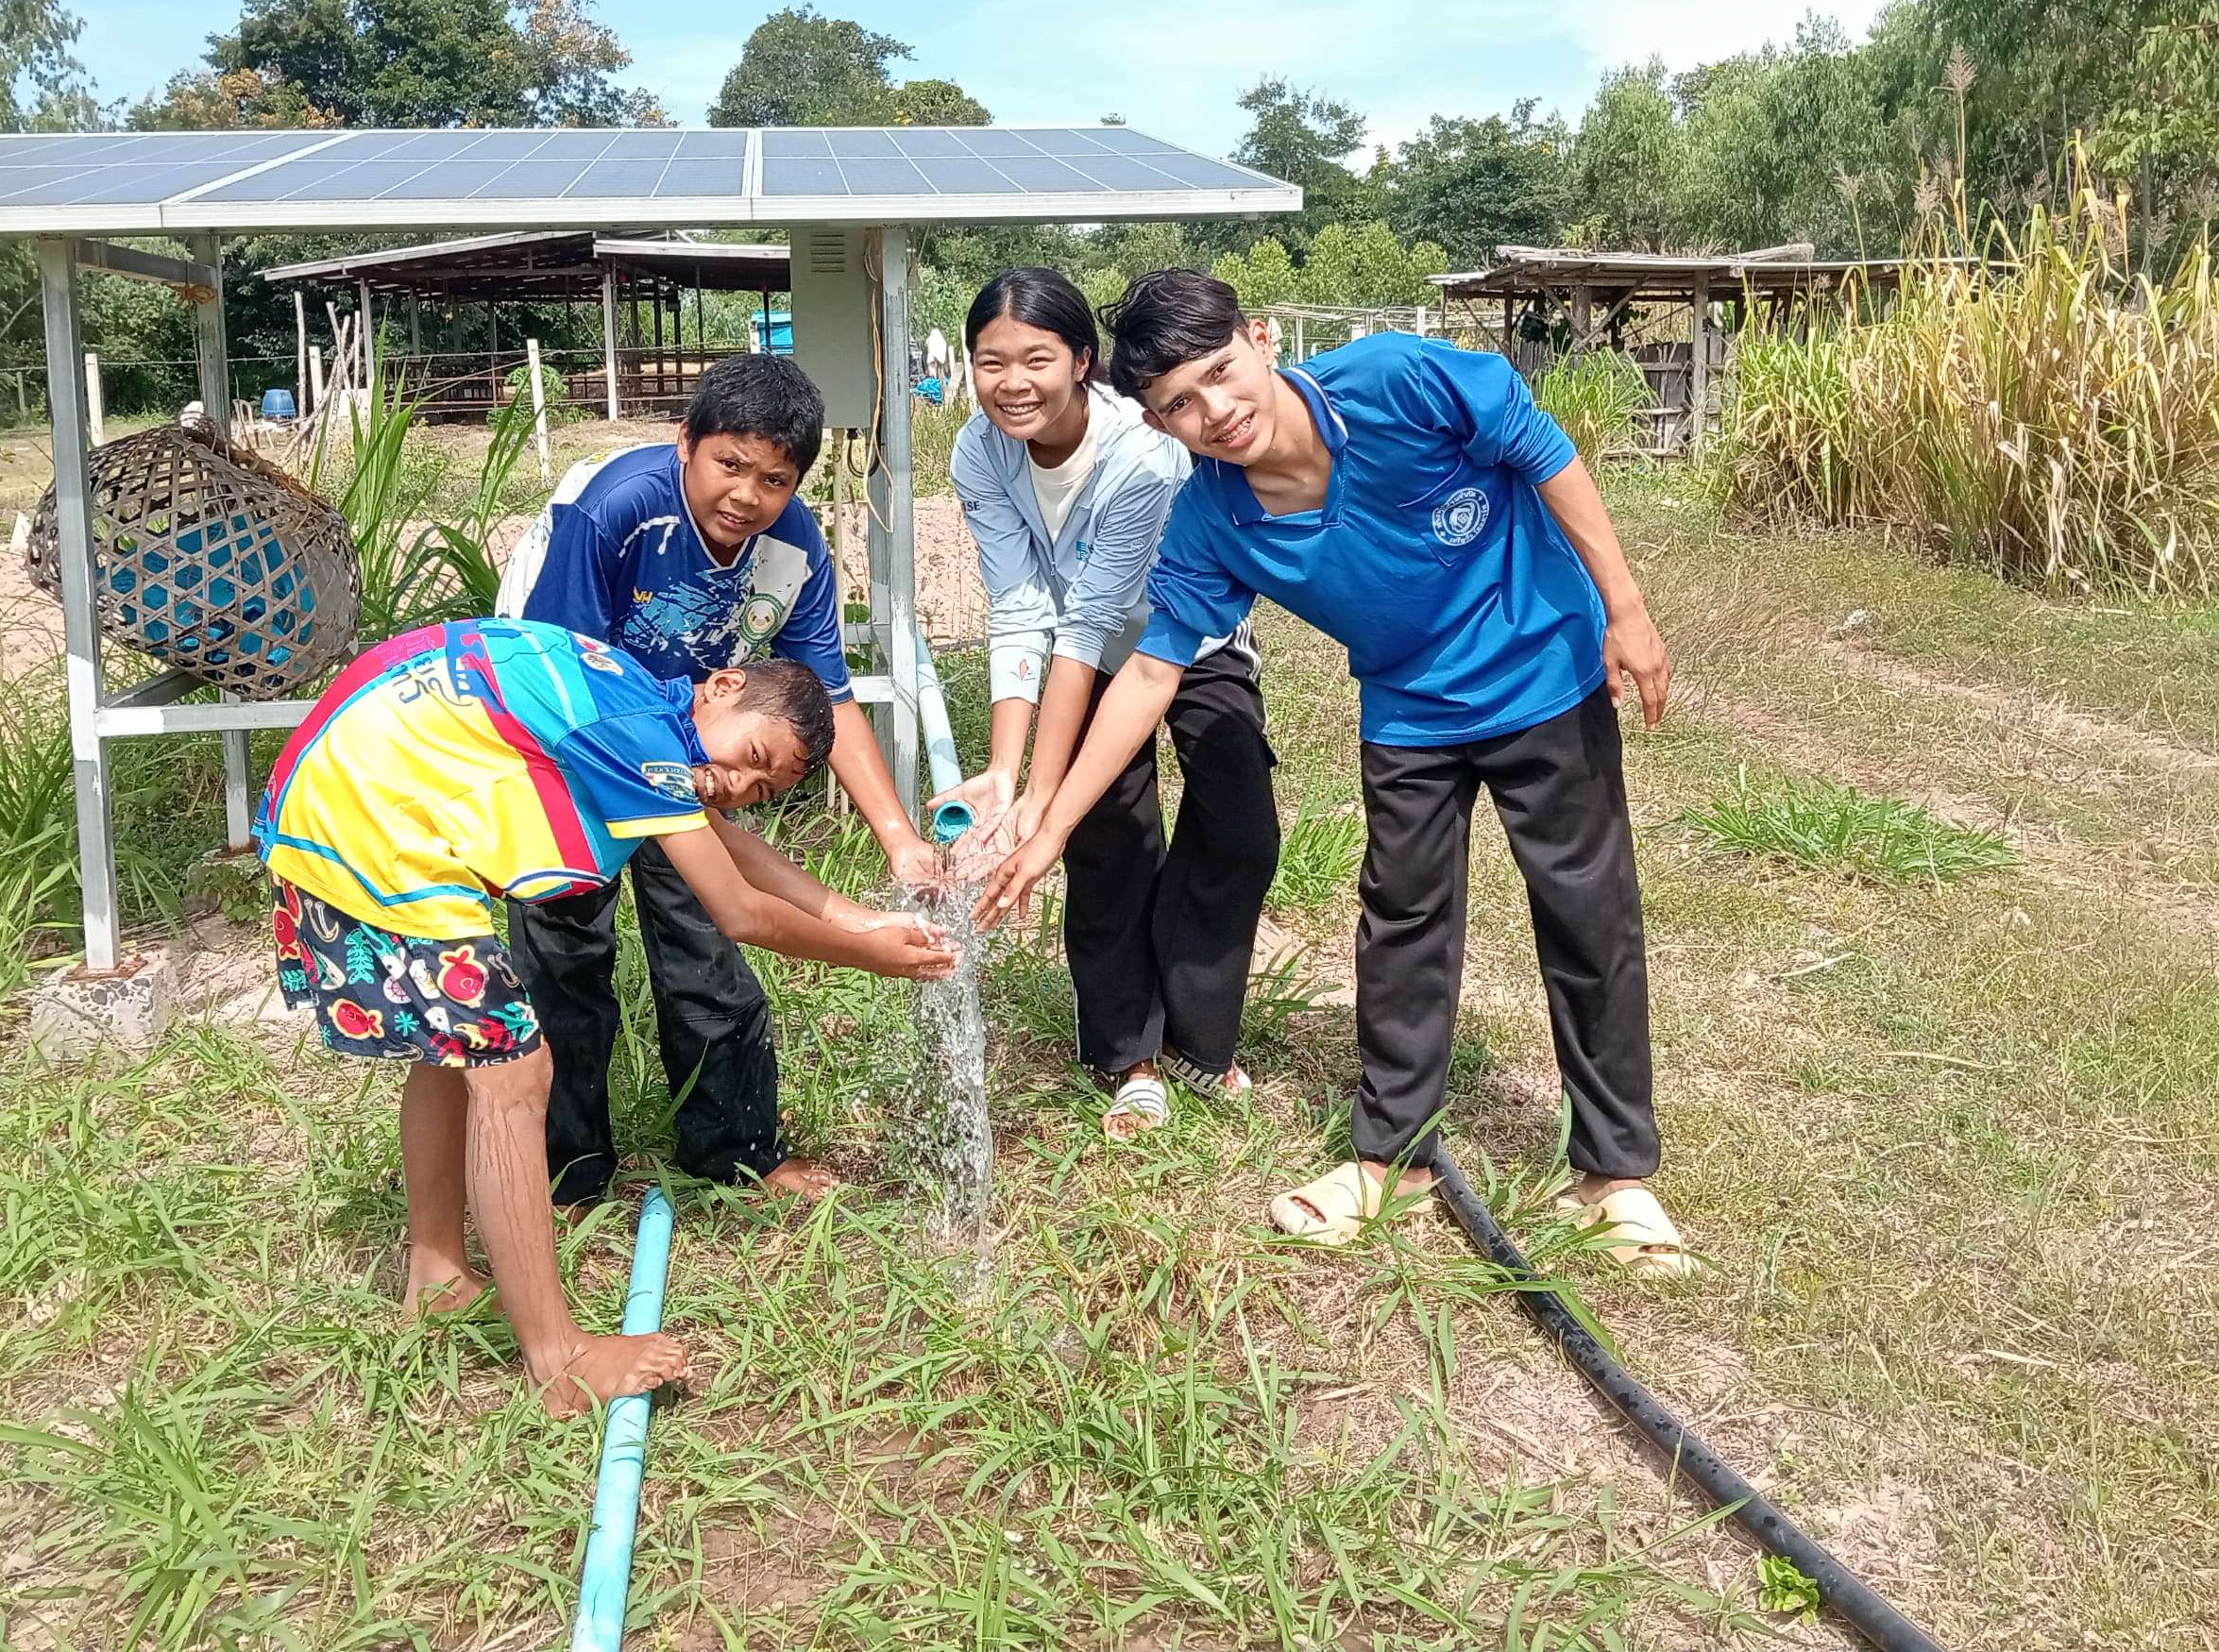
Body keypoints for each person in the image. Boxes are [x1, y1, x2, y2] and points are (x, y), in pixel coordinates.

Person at [978, 270, 1685, 1272]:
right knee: (1401, 920)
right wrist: (1046, 828)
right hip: (1409, 706)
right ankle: (1390, 1158)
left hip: (1542, 668)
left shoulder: (1396, 380)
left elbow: (1542, 447)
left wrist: (1626, 606)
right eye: (1179, 403)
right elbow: (1144, 670)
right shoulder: (1212, 518)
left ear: (1261, 340)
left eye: (1222, 373)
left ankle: (1616, 1177)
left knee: (1585, 910)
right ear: (1154, 419)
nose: (1216, 412)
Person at [259, 618, 955, 1417]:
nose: (735, 784)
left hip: (344, 795)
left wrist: (853, 914)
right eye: (751, 758)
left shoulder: (640, 711)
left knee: (456, 1051)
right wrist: (876, 955)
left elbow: (720, 838)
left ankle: (437, 1272)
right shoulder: (641, 735)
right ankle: (557, 1362)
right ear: (722, 685)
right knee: (515, 1073)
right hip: (365, 821)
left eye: (762, 790)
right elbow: (740, 914)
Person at [498, 355, 943, 1206]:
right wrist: (860, 942)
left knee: (706, 947)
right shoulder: (615, 511)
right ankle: (566, 1173)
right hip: (565, 735)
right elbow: (563, 679)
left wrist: (899, 837)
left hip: (695, 744)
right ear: (686, 445)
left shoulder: (795, 547)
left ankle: (738, 1150)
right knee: (565, 954)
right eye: (728, 464)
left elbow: (830, 700)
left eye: (774, 479)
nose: (746, 493)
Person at [936, 267, 1279, 1139]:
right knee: (1110, 841)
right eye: (990, 361)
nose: (1012, 383)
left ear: (1083, 360)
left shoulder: (1145, 452)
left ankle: (1202, 1039)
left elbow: (1095, 620)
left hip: (1186, 641)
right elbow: (1021, 606)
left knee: (1239, 828)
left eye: (1037, 359)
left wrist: (1041, 800)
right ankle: (1129, 1054)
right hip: (1072, 662)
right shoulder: (979, 451)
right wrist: (1009, 779)